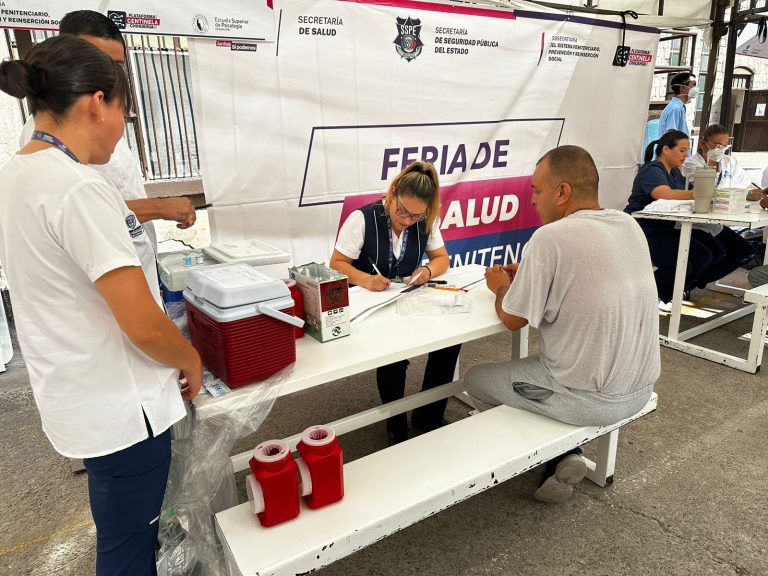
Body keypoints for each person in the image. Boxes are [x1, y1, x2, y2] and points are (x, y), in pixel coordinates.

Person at [0, 36, 202, 576]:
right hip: (119, 405)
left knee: (120, 527)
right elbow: (140, 323)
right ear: (97, 102)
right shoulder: (77, 188)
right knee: (129, 544)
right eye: (124, 112)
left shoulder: (18, 172)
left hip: (77, 393)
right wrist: (188, 358)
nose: (121, 128)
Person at [463, 145, 660, 503]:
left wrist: (500, 286)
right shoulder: (627, 224)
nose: (534, 200)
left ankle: (546, 457)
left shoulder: (550, 238)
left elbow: (511, 319)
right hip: (641, 385)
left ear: (563, 192)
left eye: (538, 190)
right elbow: (589, 280)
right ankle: (564, 455)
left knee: (476, 380)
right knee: (530, 376)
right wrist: (532, 278)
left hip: (593, 398)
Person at [19, 10, 197, 305]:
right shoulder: (45, 141)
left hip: (132, 266)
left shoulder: (98, 122)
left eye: (117, 66)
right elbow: (84, 210)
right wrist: (159, 207)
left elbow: (113, 192)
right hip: (102, 290)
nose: (111, 77)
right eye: (100, 62)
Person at [330, 161, 460, 445]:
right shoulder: (362, 219)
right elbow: (337, 264)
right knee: (394, 354)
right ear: (391, 193)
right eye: (401, 211)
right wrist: (365, 279)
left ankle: (428, 414)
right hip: (369, 305)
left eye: (415, 216)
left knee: (450, 341)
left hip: (404, 300)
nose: (405, 220)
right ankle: (395, 423)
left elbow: (442, 259)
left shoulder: (425, 220)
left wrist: (426, 271)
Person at [625, 130, 754, 302]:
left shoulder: (676, 173)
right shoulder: (652, 169)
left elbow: (689, 192)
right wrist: (700, 192)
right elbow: (665, 194)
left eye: (687, 151)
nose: (686, 155)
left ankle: (677, 290)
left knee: (708, 254)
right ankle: (645, 299)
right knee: (679, 266)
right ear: (666, 149)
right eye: (682, 150)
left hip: (670, 225)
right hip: (644, 227)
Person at [682, 123, 767, 201]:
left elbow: (747, 186)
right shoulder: (691, 164)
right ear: (703, 144)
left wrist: (754, 192)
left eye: (724, 146)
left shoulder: (730, 162)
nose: (721, 149)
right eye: (718, 145)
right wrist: (743, 195)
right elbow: (706, 192)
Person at [659, 72, 697, 137]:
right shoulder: (675, 108)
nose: (696, 88)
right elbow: (671, 136)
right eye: (693, 85)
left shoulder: (679, 107)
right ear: (683, 88)